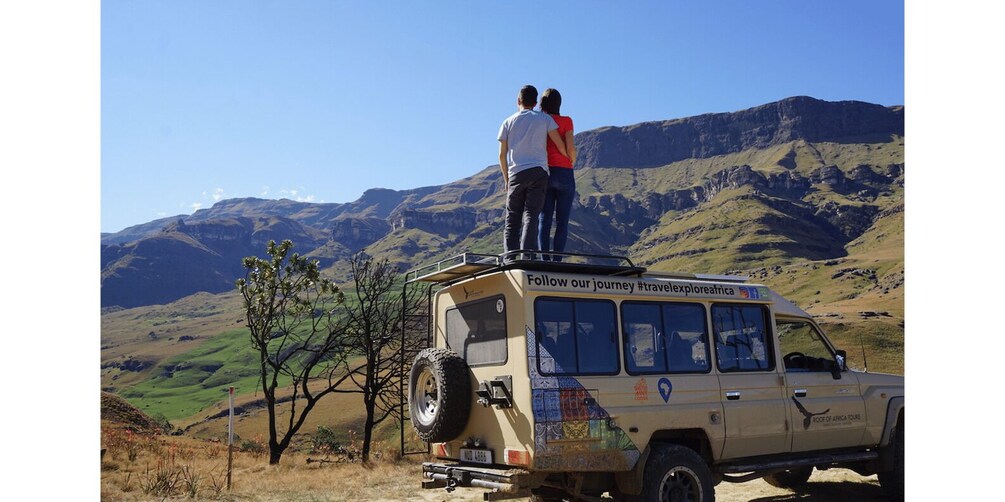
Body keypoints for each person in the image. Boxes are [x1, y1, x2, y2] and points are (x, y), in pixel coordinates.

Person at [497, 85, 568, 257]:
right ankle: (527, 255)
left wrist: (507, 179)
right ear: (536, 103)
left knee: (512, 218)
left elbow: (501, 155)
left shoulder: (508, 122)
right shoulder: (544, 119)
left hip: (516, 173)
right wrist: (568, 156)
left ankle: (510, 258)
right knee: (531, 215)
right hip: (538, 172)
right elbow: (558, 143)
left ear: (518, 101)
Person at [537, 88, 576, 260]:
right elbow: (570, 148)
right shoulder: (567, 121)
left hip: (546, 171)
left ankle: (544, 260)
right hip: (564, 172)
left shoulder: (540, 121)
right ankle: (557, 260)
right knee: (562, 221)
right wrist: (571, 160)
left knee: (544, 220)